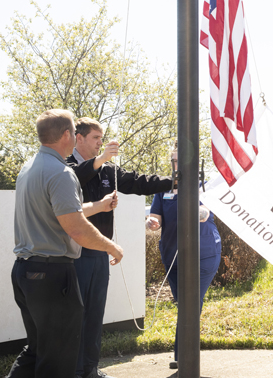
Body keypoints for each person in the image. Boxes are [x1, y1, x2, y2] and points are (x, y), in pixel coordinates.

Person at [8, 109, 124, 378]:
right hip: (52, 275)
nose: (75, 136)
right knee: (58, 357)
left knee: (37, 349)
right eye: (74, 132)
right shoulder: (61, 172)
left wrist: (98, 206)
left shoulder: (29, 167)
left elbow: (63, 213)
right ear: (65, 135)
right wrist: (111, 246)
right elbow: (76, 229)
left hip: (25, 271)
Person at [67, 117, 172, 378]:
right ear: (78, 138)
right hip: (74, 254)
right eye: (95, 139)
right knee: (75, 316)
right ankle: (74, 370)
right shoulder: (65, 166)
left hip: (100, 251)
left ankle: (91, 370)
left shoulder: (107, 170)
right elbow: (76, 177)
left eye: (102, 139)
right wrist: (101, 158)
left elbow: (139, 182)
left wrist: (173, 182)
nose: (100, 144)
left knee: (94, 314)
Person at [146, 146, 221, 370]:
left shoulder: (205, 187)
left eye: (183, 160)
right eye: (175, 160)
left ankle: (184, 358)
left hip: (203, 255)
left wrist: (201, 211)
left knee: (191, 303)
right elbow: (155, 216)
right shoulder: (164, 188)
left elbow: (207, 211)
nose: (179, 164)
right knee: (184, 305)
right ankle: (184, 356)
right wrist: (152, 222)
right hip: (173, 256)